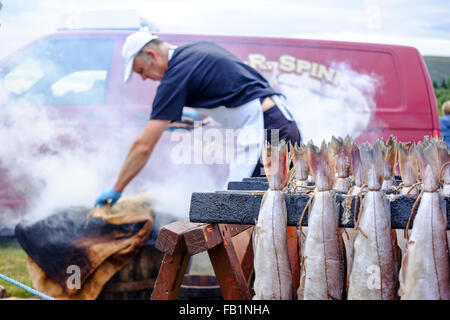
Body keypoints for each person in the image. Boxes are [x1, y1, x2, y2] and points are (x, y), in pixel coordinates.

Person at [95, 31, 301, 207]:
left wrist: (117, 188)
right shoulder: (196, 51)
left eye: (141, 71)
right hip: (281, 123)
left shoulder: (174, 76)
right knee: (273, 210)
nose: (144, 78)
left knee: (240, 210)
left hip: (271, 133)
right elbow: (235, 92)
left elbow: (143, 146)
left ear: (152, 55)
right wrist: (201, 119)